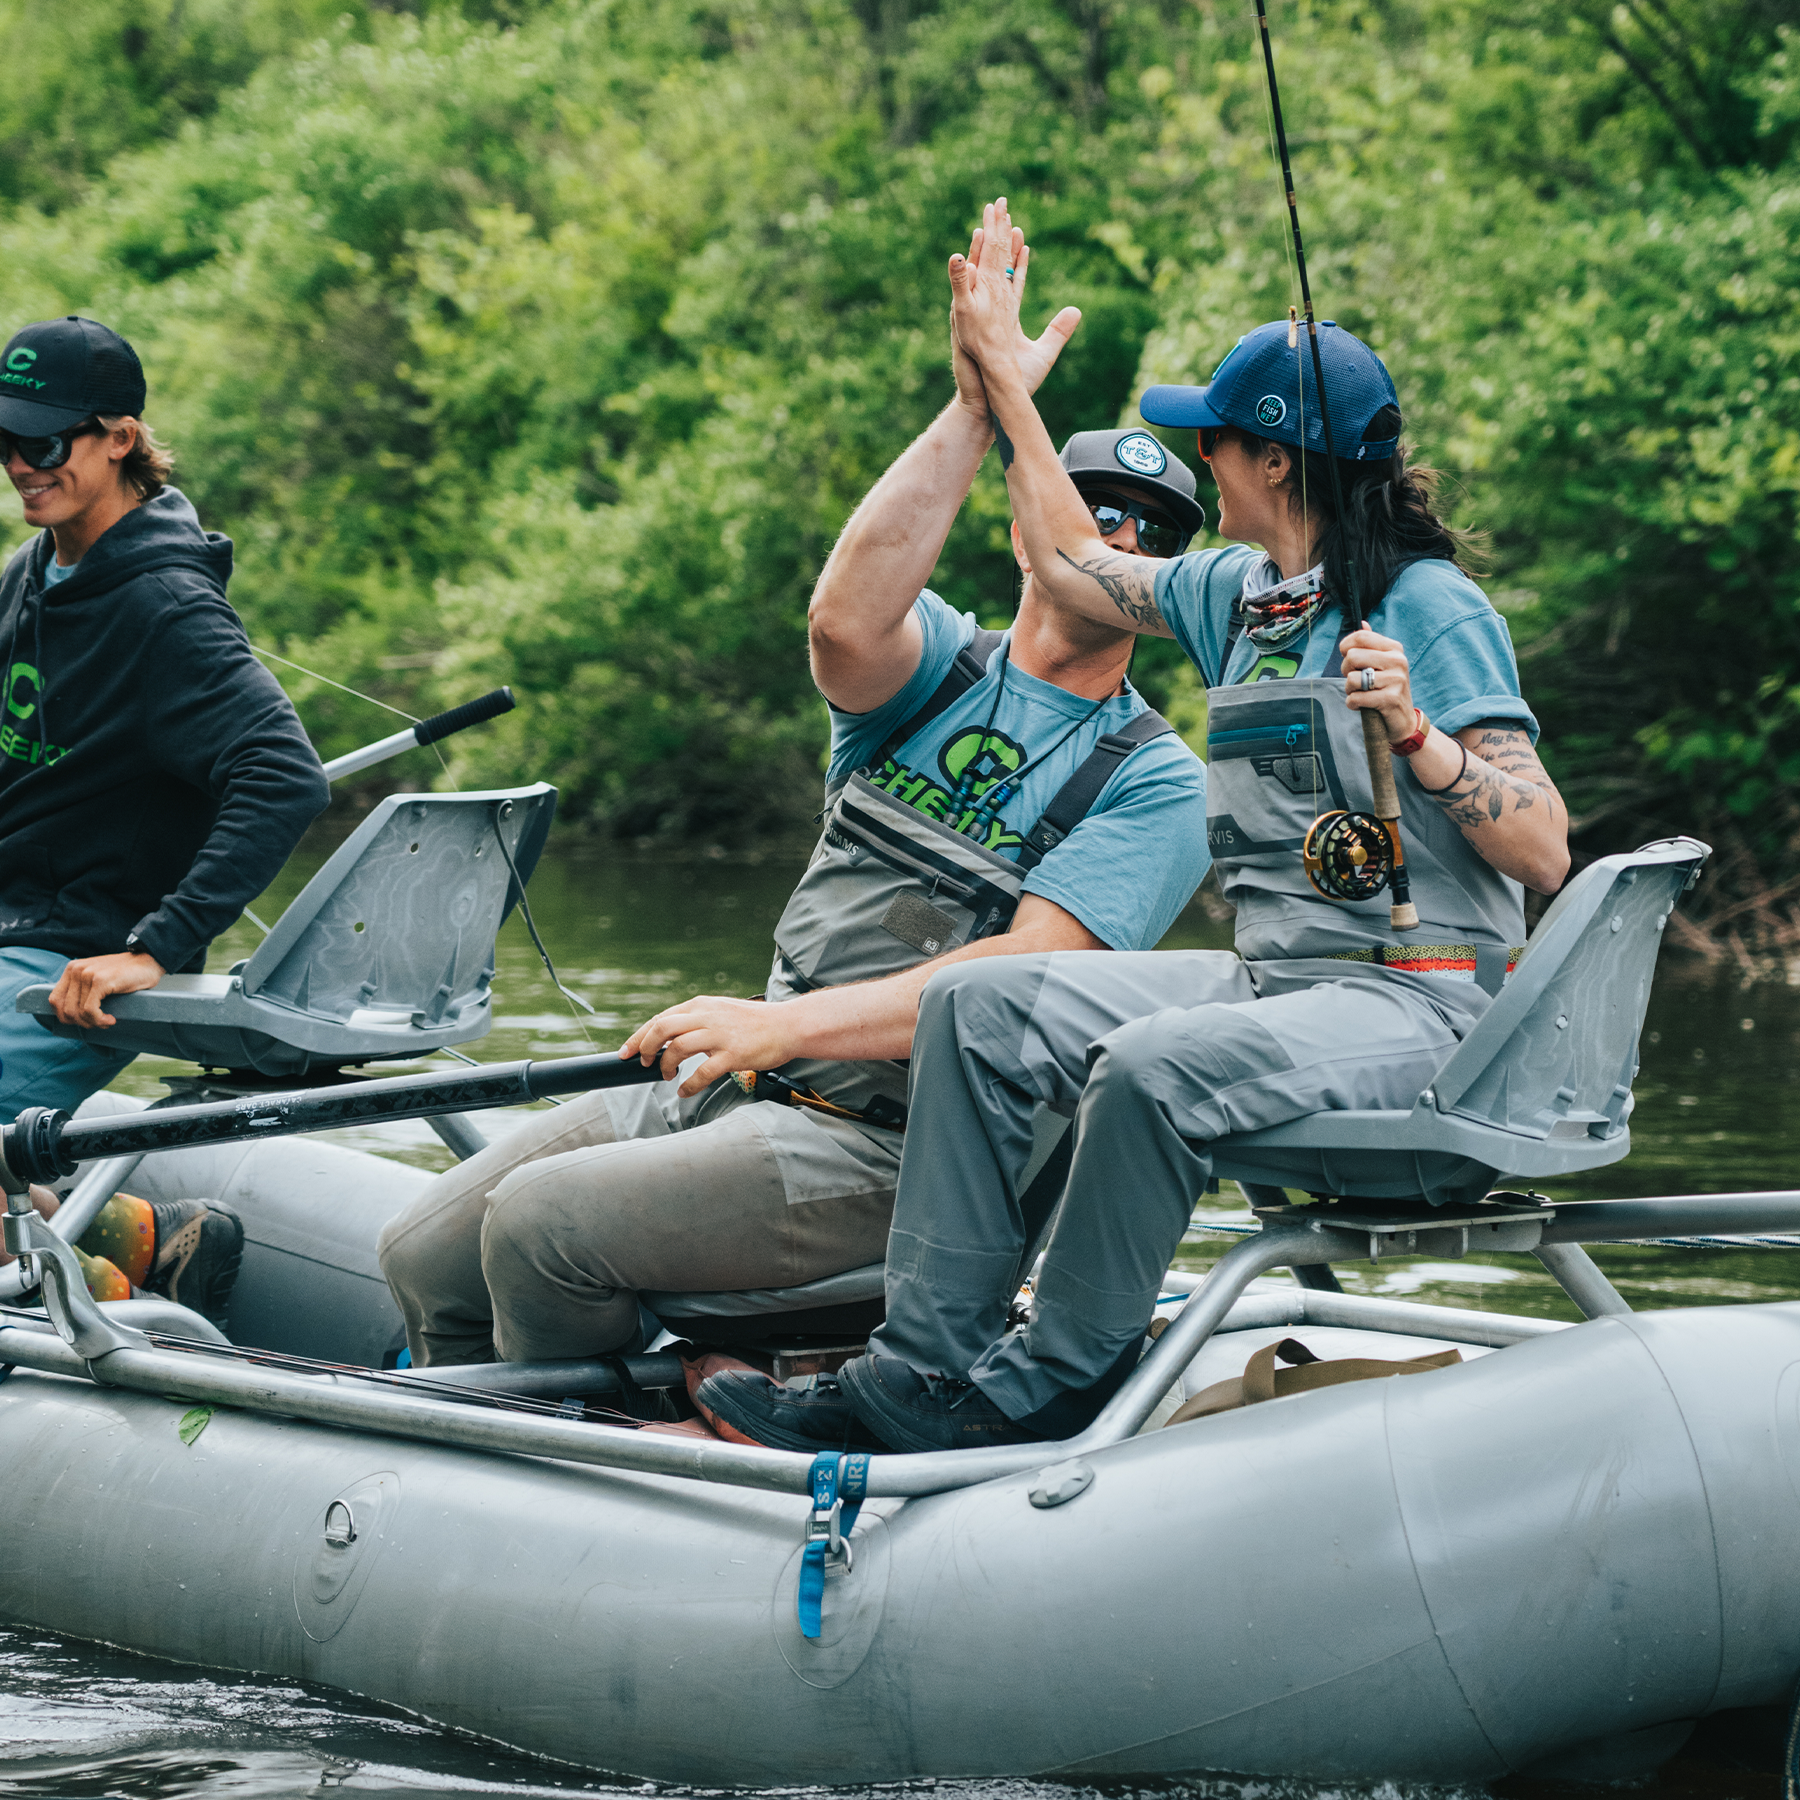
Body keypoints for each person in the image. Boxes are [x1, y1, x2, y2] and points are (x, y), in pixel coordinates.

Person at [700, 197, 1570, 1453]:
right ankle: (919, 1366)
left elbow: (1543, 847)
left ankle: (1055, 1376)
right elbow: (1063, 559)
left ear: (1274, 460)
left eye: (1215, 440)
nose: (1200, 459)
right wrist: (996, 378)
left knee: (1155, 1068)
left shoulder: (1431, 605)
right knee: (979, 1005)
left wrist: (1425, 740)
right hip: (1273, 984)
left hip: (1423, 1008)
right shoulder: (1238, 593)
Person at [377, 248, 1214, 1375]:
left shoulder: (1155, 780)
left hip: (897, 1159)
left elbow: (1016, 991)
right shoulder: (936, 670)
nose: (1121, 541)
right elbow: (842, 625)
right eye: (1097, 511)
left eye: (1156, 535)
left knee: (542, 1228)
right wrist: (976, 409)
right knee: (421, 1250)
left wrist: (779, 1026)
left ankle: (587, 1442)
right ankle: (473, 1440)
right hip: (745, 1086)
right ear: (1027, 522)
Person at [0, 314, 329, 1308]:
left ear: (119, 438)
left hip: (77, 958)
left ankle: (107, 1302)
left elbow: (285, 773)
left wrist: (160, 943)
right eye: (5, 441)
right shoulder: (34, 575)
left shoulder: (166, 609)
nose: (21, 465)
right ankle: (137, 1236)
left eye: (44, 442)